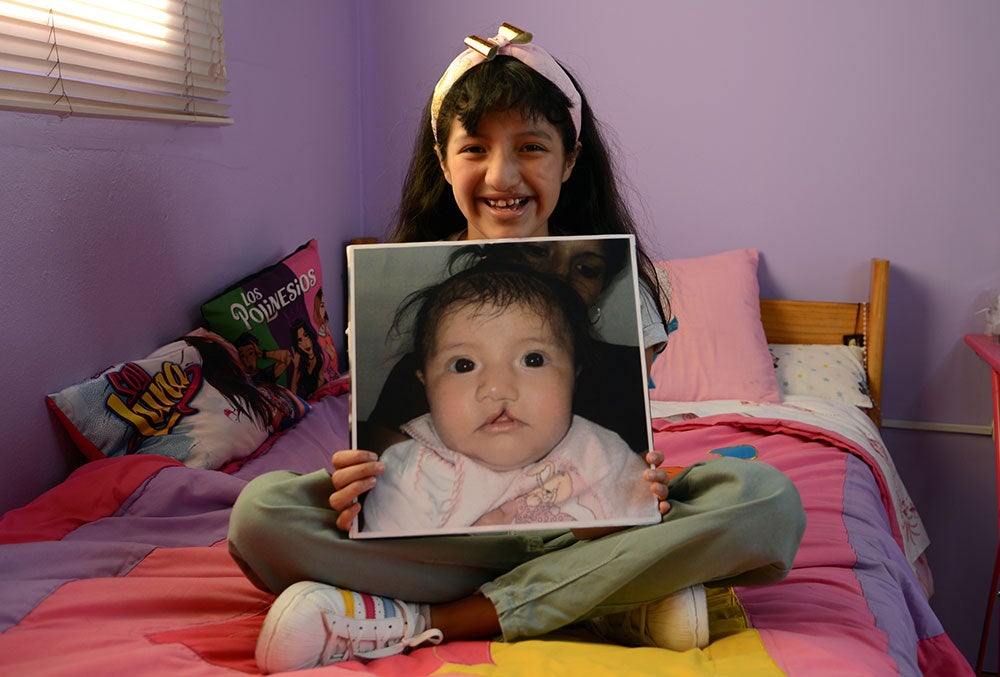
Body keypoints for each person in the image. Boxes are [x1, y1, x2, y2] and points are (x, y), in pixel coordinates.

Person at [229, 22, 806, 674]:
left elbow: (615, 436)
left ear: (570, 157)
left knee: (764, 499)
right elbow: (393, 451)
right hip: (445, 527)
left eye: (532, 145)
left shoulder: (621, 285)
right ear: (443, 161)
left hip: (580, 522)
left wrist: (631, 491)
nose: (503, 175)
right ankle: (611, 598)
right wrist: (358, 487)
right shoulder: (396, 287)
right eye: (474, 148)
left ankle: (428, 619)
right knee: (261, 513)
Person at [360, 259, 657, 535]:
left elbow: (647, 545)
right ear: (425, 385)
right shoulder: (408, 475)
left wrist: (656, 501)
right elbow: (397, 570)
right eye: (464, 365)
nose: (498, 387)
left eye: (533, 360)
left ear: (573, 375)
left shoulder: (605, 454)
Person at [362, 238, 651, 453]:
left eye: (587, 269)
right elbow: (382, 493)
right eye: (537, 251)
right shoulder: (425, 373)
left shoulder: (628, 374)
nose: (559, 274)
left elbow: (632, 492)